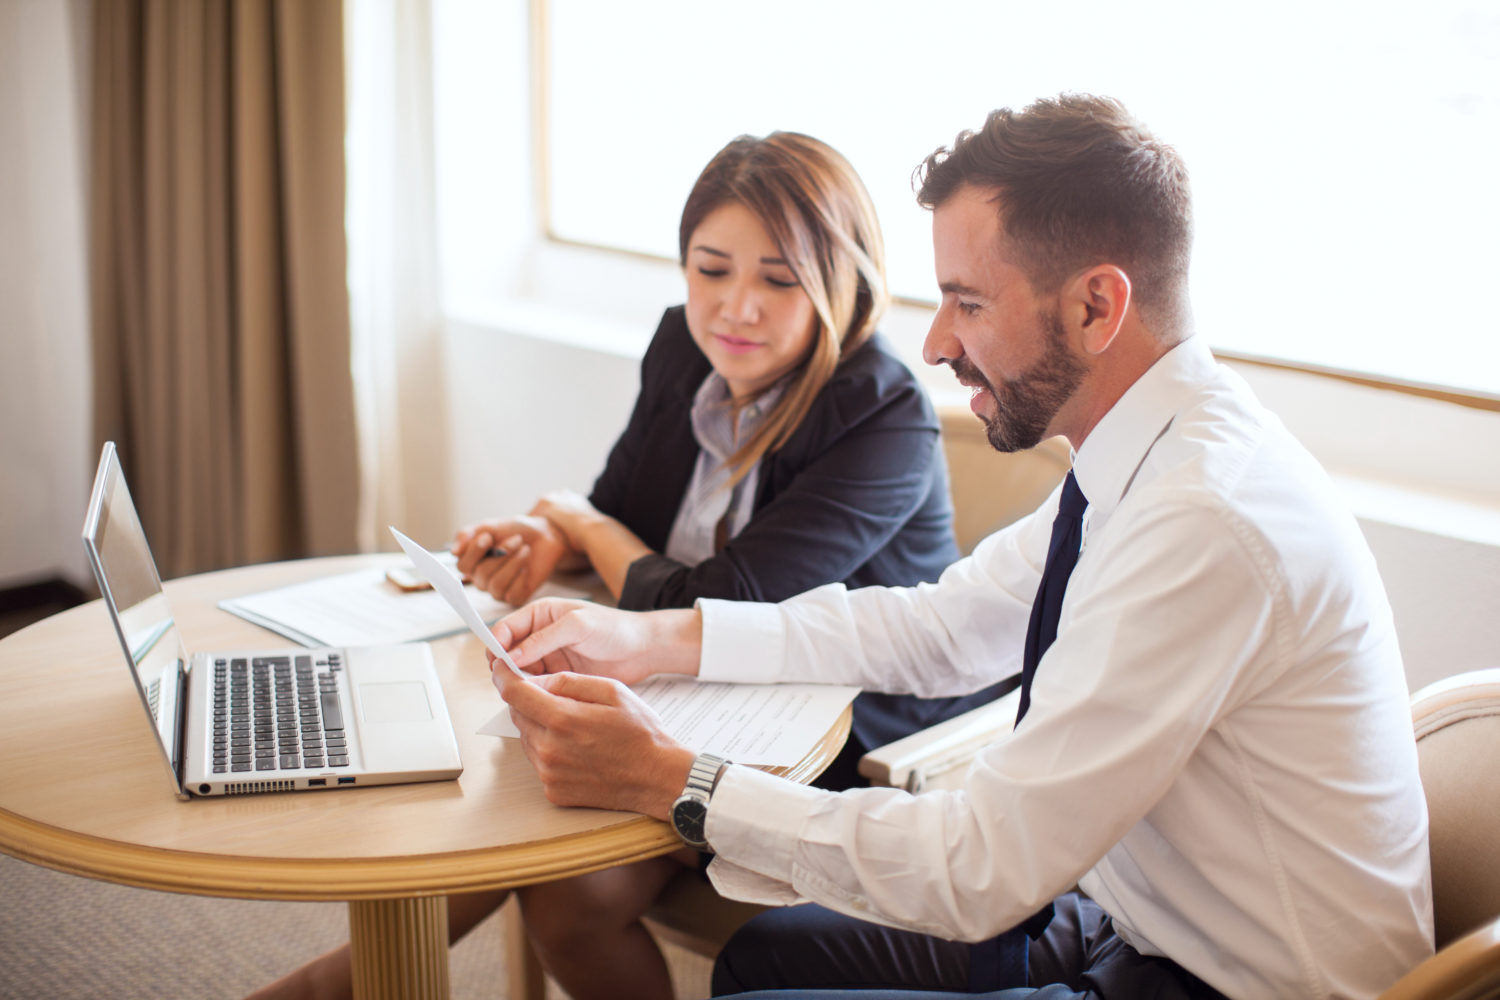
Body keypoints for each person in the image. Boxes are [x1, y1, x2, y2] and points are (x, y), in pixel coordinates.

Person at [488, 94, 1435, 999]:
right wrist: (658, 640)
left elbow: (982, 867)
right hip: (1134, 918)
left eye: (967, 303)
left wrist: (671, 779)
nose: (935, 341)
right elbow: (939, 628)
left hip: (1230, 983)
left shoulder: (1205, 521)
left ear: (1097, 308)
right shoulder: (1145, 456)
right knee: (761, 961)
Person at [247, 130, 1000, 1000]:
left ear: (844, 280)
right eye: (711, 269)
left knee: (531, 832)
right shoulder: (684, 348)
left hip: (830, 729)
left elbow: (722, 599)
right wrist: (561, 537)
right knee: (544, 852)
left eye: (779, 280)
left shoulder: (884, 413)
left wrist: (578, 519)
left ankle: (322, 989)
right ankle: (335, 986)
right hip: (689, 684)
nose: (735, 308)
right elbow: (622, 513)